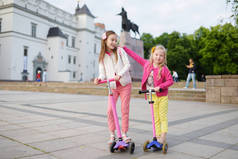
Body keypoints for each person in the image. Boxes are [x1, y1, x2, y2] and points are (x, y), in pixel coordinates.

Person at [123, 45, 173, 145]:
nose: (158, 57)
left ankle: (163, 136)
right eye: (156, 54)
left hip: (162, 96)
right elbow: (136, 57)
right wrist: (124, 48)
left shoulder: (164, 69)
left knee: (162, 116)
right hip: (152, 96)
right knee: (155, 117)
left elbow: (170, 81)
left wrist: (161, 86)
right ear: (152, 55)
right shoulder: (147, 64)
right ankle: (157, 136)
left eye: (161, 56)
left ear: (164, 58)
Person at [94, 30, 132, 144]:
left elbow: (127, 65)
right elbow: (102, 73)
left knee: (124, 109)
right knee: (110, 111)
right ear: (105, 41)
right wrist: (99, 79)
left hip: (125, 84)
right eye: (112, 40)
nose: (114, 42)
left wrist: (120, 74)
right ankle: (112, 134)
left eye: (116, 40)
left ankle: (124, 133)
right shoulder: (102, 56)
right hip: (112, 86)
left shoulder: (120, 51)